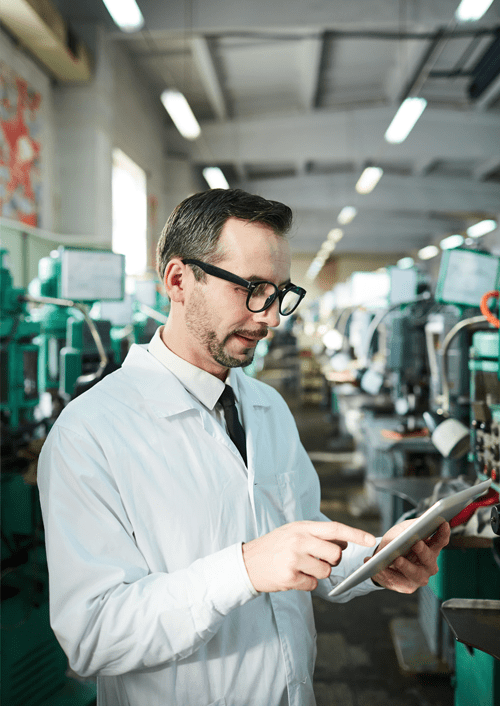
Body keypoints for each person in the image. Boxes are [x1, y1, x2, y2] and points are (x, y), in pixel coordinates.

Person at [37, 188, 450, 706]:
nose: (271, 317)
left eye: (279, 293)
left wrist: (377, 559)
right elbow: (92, 636)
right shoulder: (90, 433)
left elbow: (301, 539)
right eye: (252, 289)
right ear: (179, 280)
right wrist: (245, 568)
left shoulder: (268, 407)